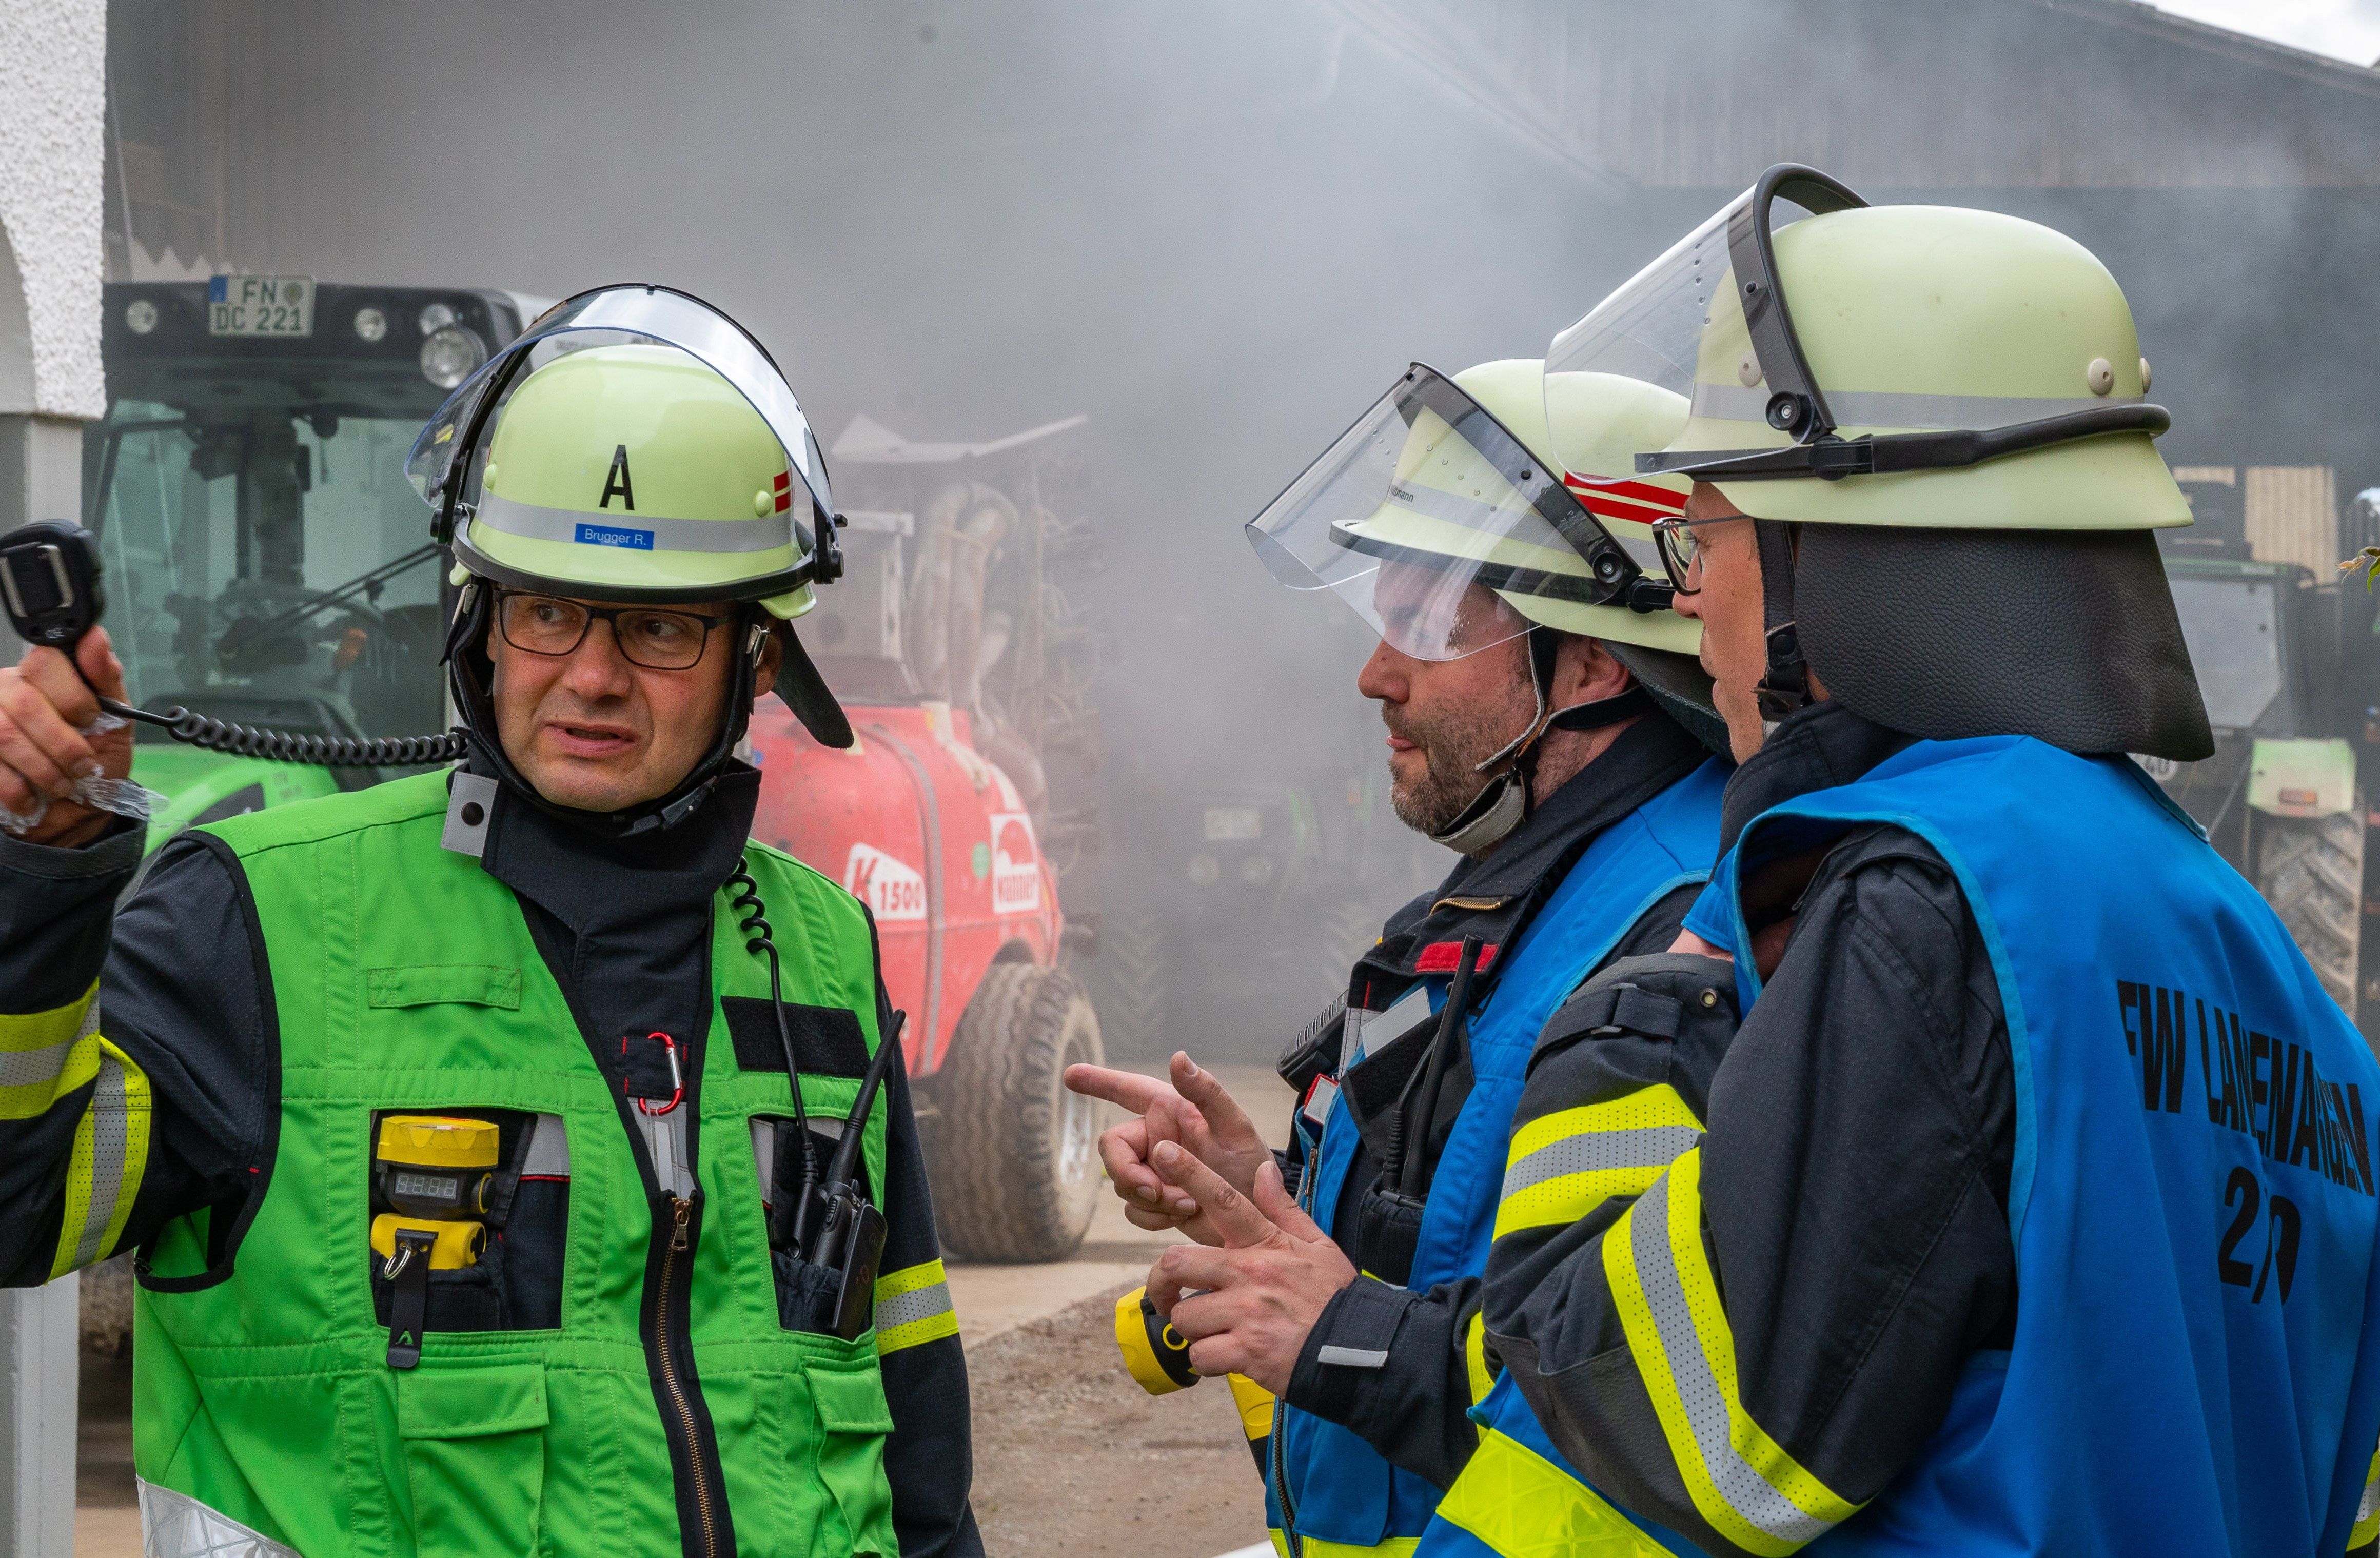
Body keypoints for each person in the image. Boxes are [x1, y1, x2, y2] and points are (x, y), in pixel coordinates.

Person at [1423, 172, 2380, 1558]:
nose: (1689, 595)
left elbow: (1710, 1442)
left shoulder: (1930, 901)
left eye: (1707, 534)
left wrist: (1624, 1051)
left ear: (1847, 550)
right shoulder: (2289, 996)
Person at [0, 287, 978, 1558]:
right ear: (478, 624)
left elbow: (909, 1408)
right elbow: (22, 1207)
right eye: (548, 609)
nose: (591, 674)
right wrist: (39, 883)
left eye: (662, 627)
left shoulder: (827, 953)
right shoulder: (261, 918)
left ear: (756, 659)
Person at [1065, 358, 1732, 1558]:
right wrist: (1263, 1192)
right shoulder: (1514, 895)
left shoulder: (1692, 936)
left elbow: (1635, 1404)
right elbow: (1437, 1242)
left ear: (1590, 660)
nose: (1377, 672)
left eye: (1428, 621)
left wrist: (1344, 1334)